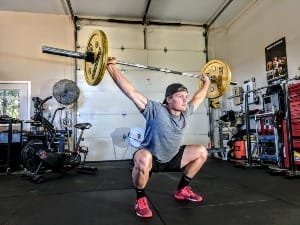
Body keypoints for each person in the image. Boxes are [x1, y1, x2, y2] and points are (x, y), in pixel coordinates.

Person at [106, 56, 211, 218]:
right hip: (151, 157)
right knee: (142, 158)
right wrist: (111, 67)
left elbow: (198, 97)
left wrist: (207, 84)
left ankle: (182, 189)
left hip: (173, 156)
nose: (185, 99)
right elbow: (130, 91)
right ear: (169, 99)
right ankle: (140, 198)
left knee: (202, 152)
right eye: (180, 96)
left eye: (186, 96)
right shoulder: (155, 110)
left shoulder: (186, 112)